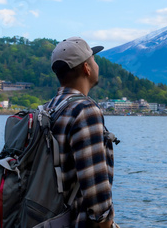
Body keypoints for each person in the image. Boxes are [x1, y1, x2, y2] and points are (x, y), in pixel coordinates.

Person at [47, 37, 119, 228]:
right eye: (94, 60)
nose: (97, 65)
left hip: (52, 219)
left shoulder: (50, 109)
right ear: (87, 68)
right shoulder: (85, 110)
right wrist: (107, 223)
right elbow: (96, 190)